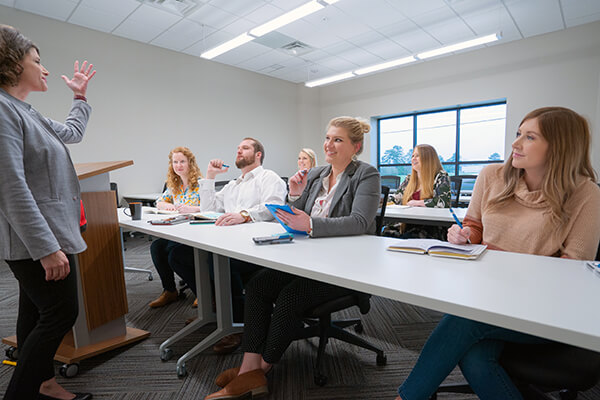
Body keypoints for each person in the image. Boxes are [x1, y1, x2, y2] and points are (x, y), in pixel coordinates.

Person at [395, 107, 600, 400]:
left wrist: (496, 255)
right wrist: (465, 235)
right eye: (518, 134)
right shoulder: (493, 176)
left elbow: (571, 273)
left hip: (545, 307)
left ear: (560, 147)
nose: (515, 144)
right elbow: (474, 224)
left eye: (529, 137)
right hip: (491, 296)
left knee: (463, 319)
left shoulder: (585, 193)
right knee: (476, 356)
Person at [205, 116, 381, 400]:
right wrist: (294, 197)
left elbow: (360, 221)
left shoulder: (366, 174)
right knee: (258, 285)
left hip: (345, 267)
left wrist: (310, 224)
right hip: (308, 260)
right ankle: (248, 367)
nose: (329, 144)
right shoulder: (317, 174)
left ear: (355, 146)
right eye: (327, 138)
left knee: (290, 297)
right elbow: (295, 213)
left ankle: (260, 370)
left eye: (338, 140)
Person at [0, 25, 96, 400]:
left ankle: (43, 385)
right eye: (37, 60)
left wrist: (80, 97)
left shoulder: (26, 111)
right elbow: (10, 187)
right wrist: (45, 247)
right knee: (59, 314)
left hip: (46, 234)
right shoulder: (4, 112)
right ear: (11, 63)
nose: (44, 68)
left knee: (34, 314)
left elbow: (71, 132)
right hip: (37, 241)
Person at [182, 137, 287, 353]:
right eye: (238, 148)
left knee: (217, 262)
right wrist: (210, 176)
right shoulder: (232, 185)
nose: (239, 151)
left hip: (258, 248)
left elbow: (273, 207)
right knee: (179, 255)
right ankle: (217, 310)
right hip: (230, 243)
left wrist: (245, 215)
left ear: (258, 154)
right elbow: (208, 208)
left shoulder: (269, 178)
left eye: (245, 148)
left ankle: (238, 325)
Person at [148, 146, 203, 308]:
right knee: (156, 246)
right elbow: (160, 202)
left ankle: (204, 294)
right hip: (178, 230)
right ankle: (170, 291)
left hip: (196, 232)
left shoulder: (201, 185)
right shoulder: (175, 186)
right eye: (175, 162)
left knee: (174, 253)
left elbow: (211, 208)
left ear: (190, 163)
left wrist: (191, 209)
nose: (178, 165)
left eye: (182, 162)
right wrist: (168, 206)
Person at [382, 144, 451, 240]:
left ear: (428, 158)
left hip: (429, 227)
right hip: (407, 224)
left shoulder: (441, 176)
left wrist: (417, 203)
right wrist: (379, 200)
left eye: (417, 156)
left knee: (409, 237)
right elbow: (396, 198)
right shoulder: (409, 179)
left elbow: (443, 202)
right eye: (412, 156)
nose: (413, 159)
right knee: (385, 233)